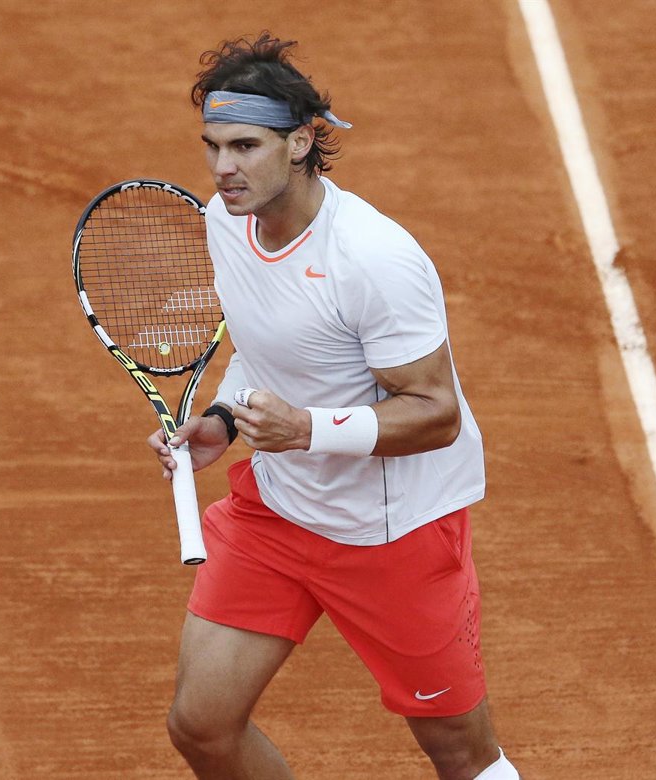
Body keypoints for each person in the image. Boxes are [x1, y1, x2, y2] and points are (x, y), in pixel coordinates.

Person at [147, 33, 521, 779]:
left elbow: (436, 413)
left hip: (392, 535)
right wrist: (223, 420)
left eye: (245, 146)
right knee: (202, 726)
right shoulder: (226, 222)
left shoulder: (374, 259)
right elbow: (267, 347)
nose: (223, 169)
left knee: (460, 753)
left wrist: (305, 429)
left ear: (301, 143)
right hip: (280, 515)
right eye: (213, 146)